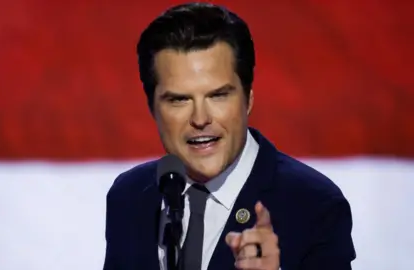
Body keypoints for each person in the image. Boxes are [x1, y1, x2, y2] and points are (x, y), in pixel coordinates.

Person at [103, 2, 356, 270]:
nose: (200, 119)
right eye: (179, 100)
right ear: (152, 108)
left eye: (218, 95)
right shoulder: (130, 197)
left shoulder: (313, 206)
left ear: (248, 99)